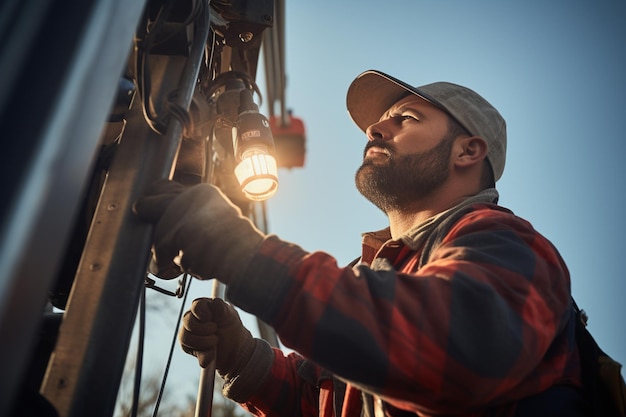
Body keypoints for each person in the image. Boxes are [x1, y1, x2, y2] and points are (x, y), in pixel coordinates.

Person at [134, 70, 589, 416]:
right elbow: (322, 397)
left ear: (467, 152)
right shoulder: (373, 276)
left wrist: (243, 253)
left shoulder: (510, 246)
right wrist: (241, 356)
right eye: (379, 122)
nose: (375, 129)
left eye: (405, 118)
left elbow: (451, 347)